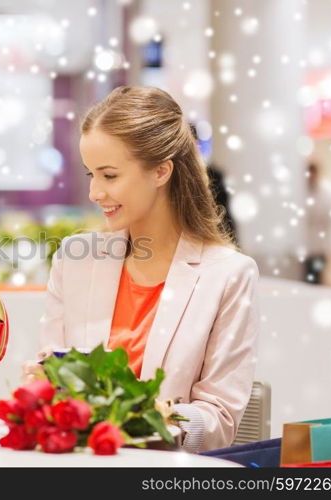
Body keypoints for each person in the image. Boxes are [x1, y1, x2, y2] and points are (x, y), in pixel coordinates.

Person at [27, 86, 260, 453]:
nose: (94, 192)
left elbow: (220, 420)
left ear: (161, 171)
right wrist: (42, 385)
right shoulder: (76, 259)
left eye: (109, 175)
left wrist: (149, 418)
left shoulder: (228, 274)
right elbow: (51, 368)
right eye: (91, 174)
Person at [303, 161, 331, 284]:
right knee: (307, 278)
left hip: (320, 245)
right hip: (307, 245)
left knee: (317, 277)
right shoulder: (302, 193)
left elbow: (329, 221)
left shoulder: (325, 194)